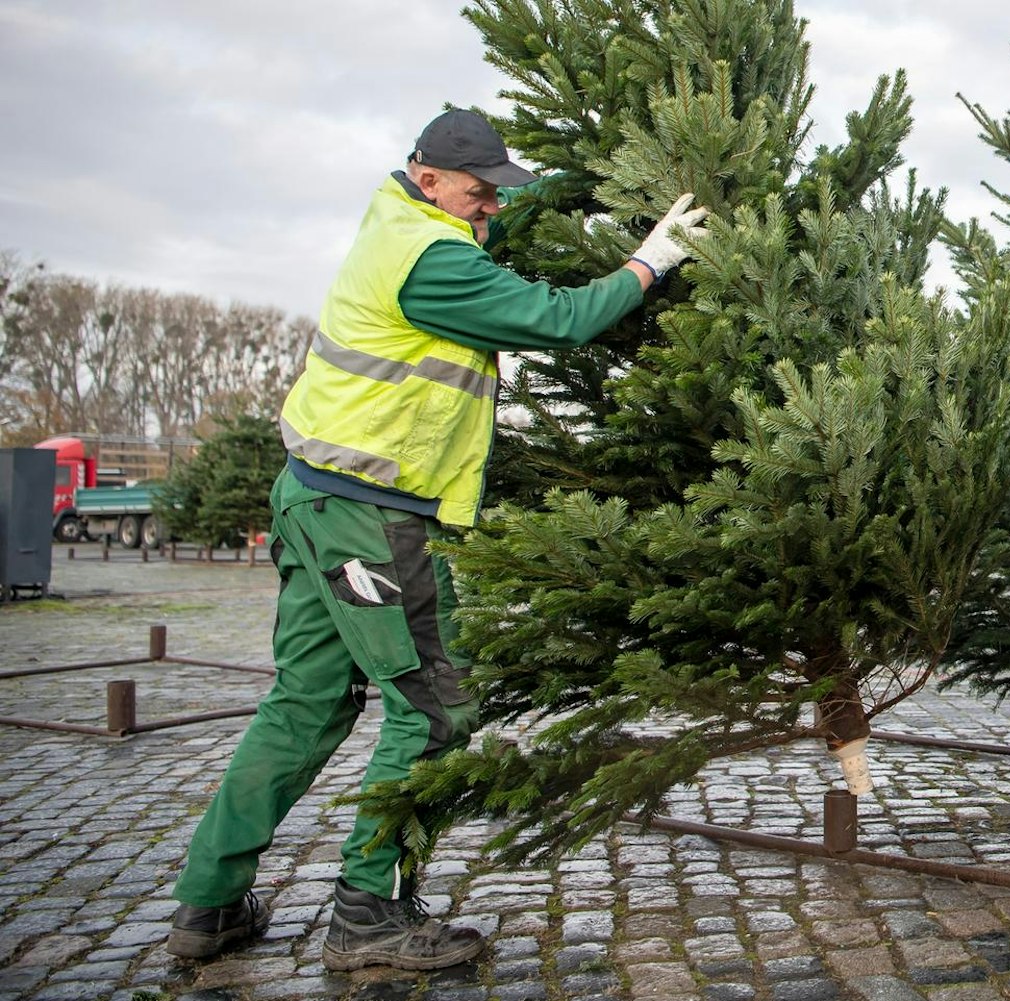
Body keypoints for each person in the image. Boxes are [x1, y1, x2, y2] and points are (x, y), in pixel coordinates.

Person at [164, 109, 709, 971]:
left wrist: (569, 177)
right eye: (479, 191)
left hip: (314, 495)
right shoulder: (434, 263)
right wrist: (650, 261)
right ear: (429, 179)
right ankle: (369, 913)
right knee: (434, 708)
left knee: (306, 702)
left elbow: (489, 226)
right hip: (371, 517)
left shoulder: (403, 219)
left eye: (497, 192)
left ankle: (210, 902)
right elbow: (560, 318)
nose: (490, 207)